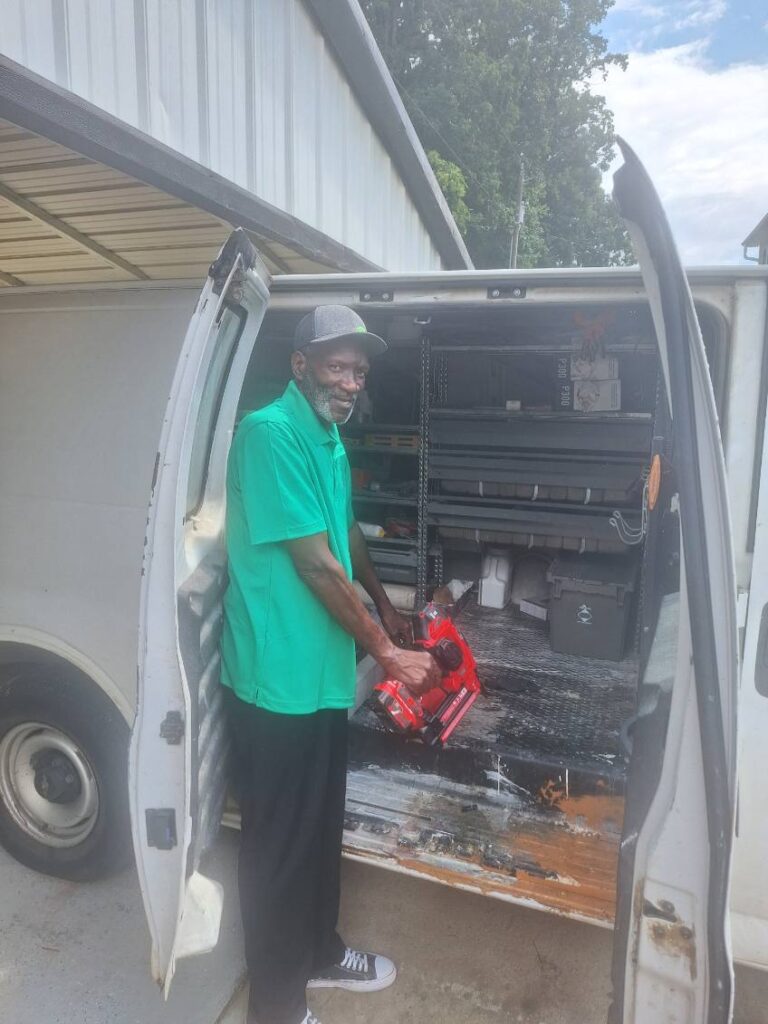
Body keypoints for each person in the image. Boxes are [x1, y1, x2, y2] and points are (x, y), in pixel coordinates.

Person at [220, 304, 440, 1024]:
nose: (349, 382)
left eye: (359, 370)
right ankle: (276, 1007)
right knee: (278, 847)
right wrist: (387, 651)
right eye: (337, 366)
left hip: (319, 673)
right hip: (274, 680)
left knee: (317, 829)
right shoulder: (270, 434)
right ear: (301, 365)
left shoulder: (328, 437)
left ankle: (318, 951)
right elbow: (314, 564)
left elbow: (344, 535)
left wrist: (387, 607)